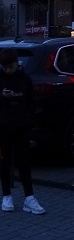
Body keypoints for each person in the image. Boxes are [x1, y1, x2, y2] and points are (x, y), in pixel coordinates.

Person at [0, 49, 45, 215]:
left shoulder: (24, 79)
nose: (8, 70)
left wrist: (29, 123)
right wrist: (2, 97)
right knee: (5, 162)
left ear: (16, 63)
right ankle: (7, 195)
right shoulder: (2, 77)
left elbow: (31, 103)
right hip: (4, 126)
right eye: (5, 67)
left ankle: (29, 197)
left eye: (10, 66)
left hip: (21, 125)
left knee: (24, 162)